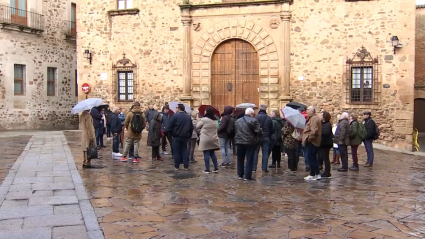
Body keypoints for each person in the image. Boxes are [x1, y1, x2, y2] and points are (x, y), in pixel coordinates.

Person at [235, 108, 261, 181]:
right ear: (251, 114)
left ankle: (240, 174)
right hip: (250, 142)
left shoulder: (238, 121)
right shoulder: (254, 120)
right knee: (249, 159)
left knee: (240, 159)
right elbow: (258, 131)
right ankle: (247, 176)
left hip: (239, 142)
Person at [165, 103, 193, 170]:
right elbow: (191, 127)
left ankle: (177, 165)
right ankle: (186, 166)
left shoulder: (174, 116)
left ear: (179, 108)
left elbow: (169, 127)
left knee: (176, 151)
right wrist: (189, 135)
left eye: (176, 107)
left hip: (176, 136)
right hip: (185, 136)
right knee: (184, 150)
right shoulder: (188, 116)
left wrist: (170, 134)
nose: (176, 109)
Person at [196, 107, 220, 173]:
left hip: (205, 139)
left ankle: (207, 169)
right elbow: (217, 128)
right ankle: (216, 168)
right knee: (212, 153)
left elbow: (197, 126)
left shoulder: (204, 119)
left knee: (206, 153)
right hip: (213, 138)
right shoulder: (215, 120)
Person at [302, 106, 322, 181]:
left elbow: (314, 131)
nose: (306, 111)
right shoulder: (313, 118)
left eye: (308, 110)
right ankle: (316, 174)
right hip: (313, 141)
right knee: (313, 158)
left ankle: (313, 174)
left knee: (311, 158)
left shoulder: (314, 119)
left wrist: (309, 139)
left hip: (313, 142)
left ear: (312, 111)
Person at [253, 104, 273, 173]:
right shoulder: (269, 118)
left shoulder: (256, 117)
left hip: (257, 137)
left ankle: (254, 168)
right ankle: (264, 168)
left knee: (255, 152)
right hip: (266, 137)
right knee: (265, 153)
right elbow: (271, 129)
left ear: (259, 109)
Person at [319, 111, 333, 178]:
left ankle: (327, 172)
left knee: (326, 158)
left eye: (321, 115)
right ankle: (326, 171)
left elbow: (325, 133)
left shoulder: (327, 124)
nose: (320, 116)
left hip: (326, 143)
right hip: (323, 143)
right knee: (324, 158)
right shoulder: (323, 124)